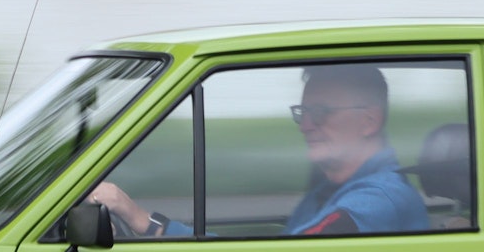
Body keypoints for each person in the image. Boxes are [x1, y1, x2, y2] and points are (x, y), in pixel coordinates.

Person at [90, 64, 430, 237]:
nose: (305, 125)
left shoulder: (376, 202)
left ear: (369, 121)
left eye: (320, 113)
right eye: (302, 112)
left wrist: (144, 221)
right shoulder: (329, 194)